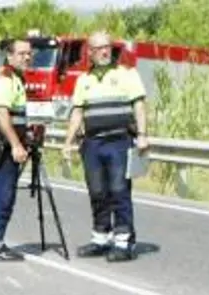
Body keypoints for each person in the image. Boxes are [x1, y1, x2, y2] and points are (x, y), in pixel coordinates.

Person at [61, 31, 150, 262]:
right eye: (99, 47)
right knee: (97, 191)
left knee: (119, 190)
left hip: (118, 141)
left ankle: (123, 242)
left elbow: (139, 105)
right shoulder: (84, 80)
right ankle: (100, 238)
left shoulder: (127, 75)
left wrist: (142, 135)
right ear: (89, 52)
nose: (105, 51)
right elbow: (77, 112)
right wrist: (68, 143)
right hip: (92, 143)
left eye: (107, 47)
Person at [0, 38, 33, 262]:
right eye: (21, 54)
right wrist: (17, 144)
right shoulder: (5, 78)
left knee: (0, 194)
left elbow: (14, 115)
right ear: (9, 56)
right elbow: (1, 115)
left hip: (0, 142)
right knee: (3, 194)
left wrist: (26, 133)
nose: (26, 57)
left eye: (29, 54)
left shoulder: (16, 78)